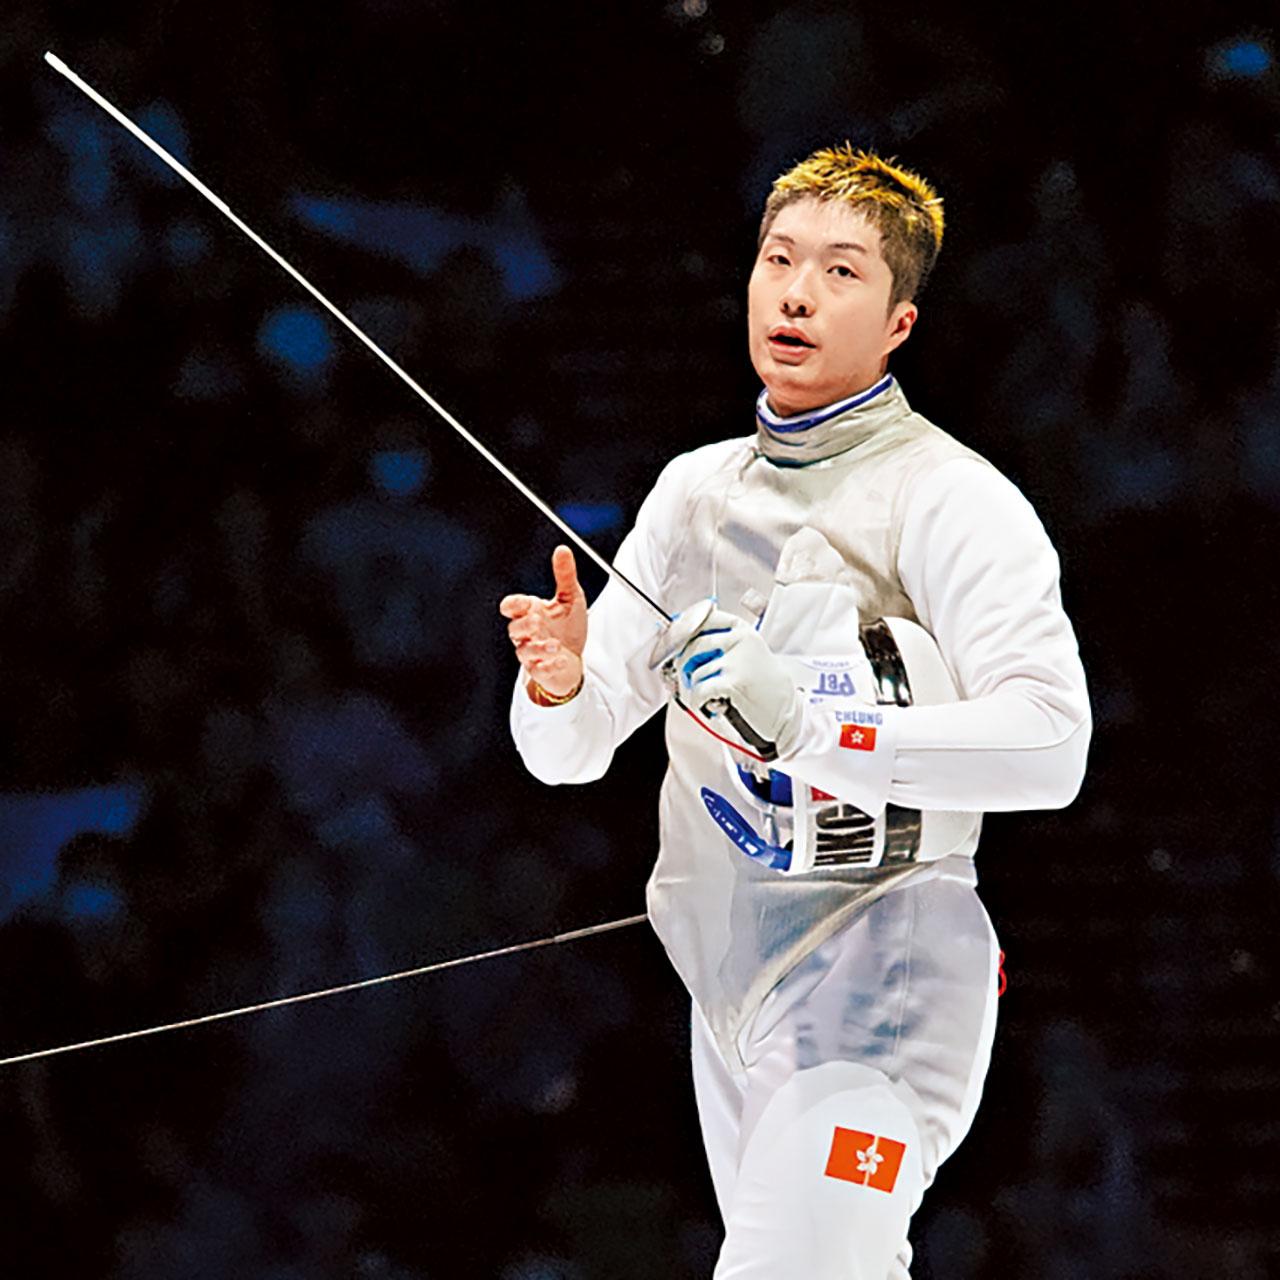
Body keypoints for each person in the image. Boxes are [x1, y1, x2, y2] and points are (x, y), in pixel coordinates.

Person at [499, 145, 1091, 1279]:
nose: (797, 294)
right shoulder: (696, 492)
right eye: (778, 260)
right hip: (729, 997)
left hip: (883, 972)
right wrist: (562, 681)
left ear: (900, 322)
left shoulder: (950, 498)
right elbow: (568, 754)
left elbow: (1051, 742)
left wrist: (815, 727)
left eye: (840, 270)